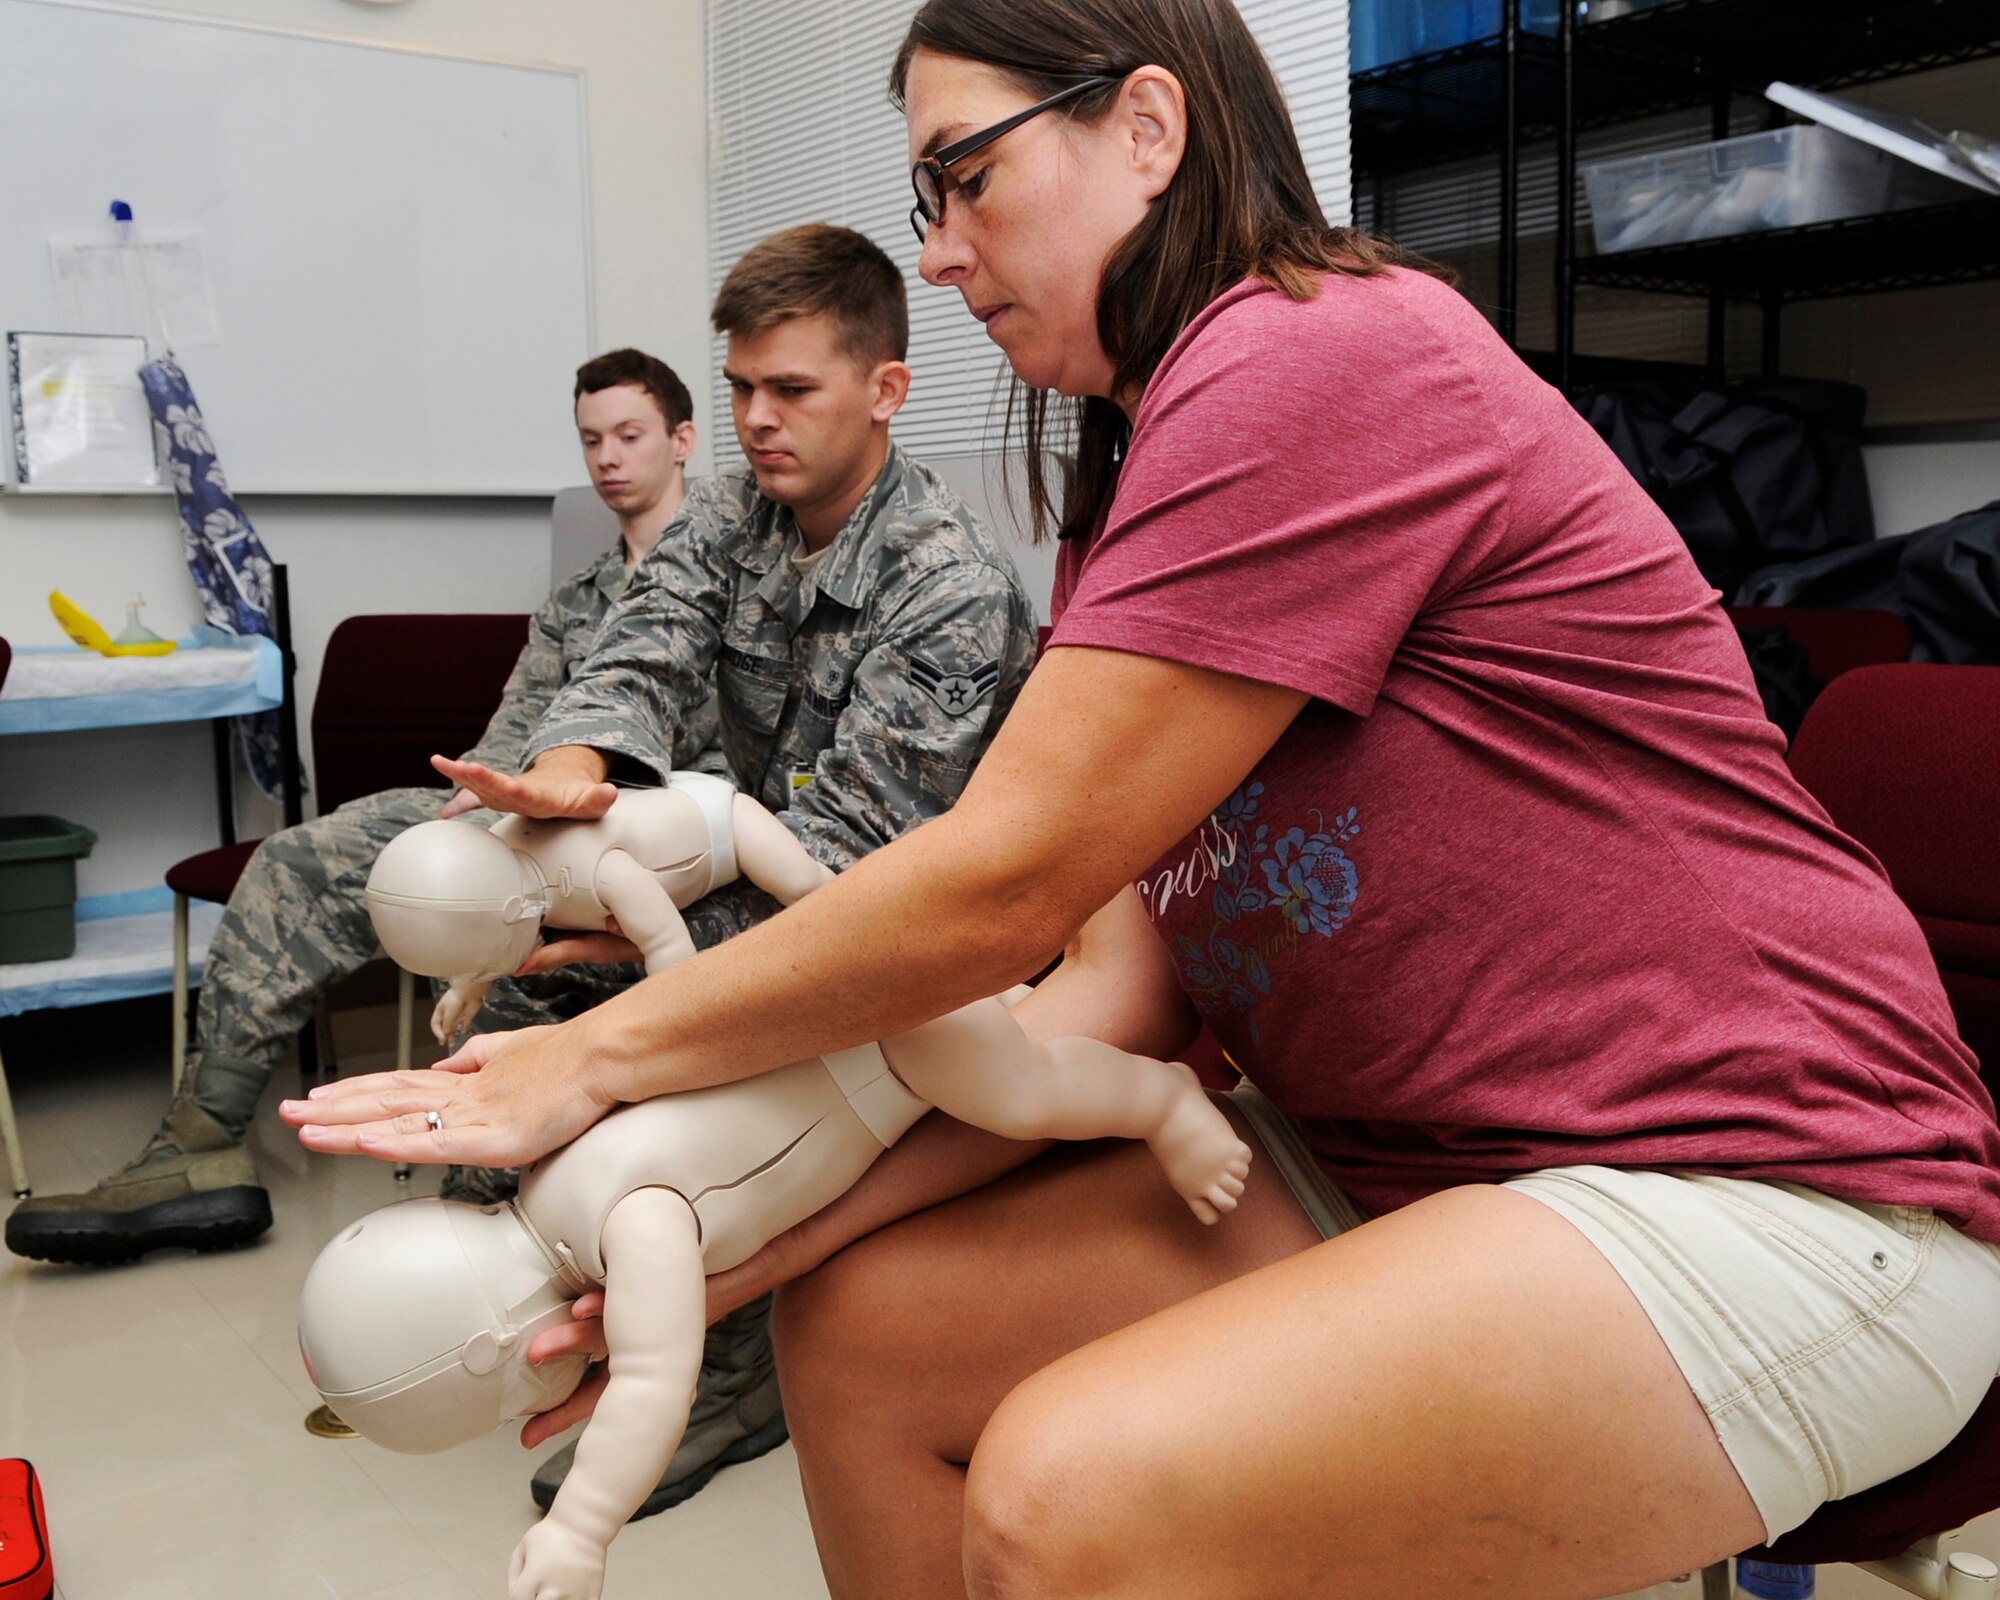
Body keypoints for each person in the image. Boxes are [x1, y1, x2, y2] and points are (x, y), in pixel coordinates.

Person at [284, 4, 2000, 1597]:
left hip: (1767, 1194)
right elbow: (1114, 991)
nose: (938, 253)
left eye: (965, 176)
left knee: (1065, 1489)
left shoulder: (1317, 358)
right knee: (864, 1325)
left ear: (1152, 125)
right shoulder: (1145, 481)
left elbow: (999, 887)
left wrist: (587, 1063)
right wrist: (749, 1238)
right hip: (1409, 1171)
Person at [413, 221, 1041, 1522]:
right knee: (532, 1001)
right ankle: (547, 1310)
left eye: (792, 390)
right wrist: (568, 775)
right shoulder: (739, 517)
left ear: (886, 391)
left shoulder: (947, 586)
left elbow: (859, 876)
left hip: (915, 954)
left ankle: (729, 1368)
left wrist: (642, 965)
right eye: (741, 387)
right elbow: (642, 644)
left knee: (640, 1045)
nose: (755, 420)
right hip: (771, 881)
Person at [6, 345, 705, 1271]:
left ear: (682, 440)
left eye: (629, 435)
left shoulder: (727, 569)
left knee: (521, 942)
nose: (609, 458)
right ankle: (200, 1142)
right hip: (517, 813)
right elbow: (506, 739)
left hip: (640, 830)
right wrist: (469, 813)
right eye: (591, 440)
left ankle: (486, 1222)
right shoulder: (574, 600)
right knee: (295, 859)